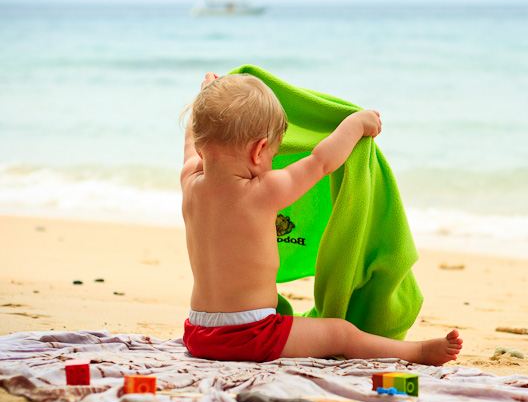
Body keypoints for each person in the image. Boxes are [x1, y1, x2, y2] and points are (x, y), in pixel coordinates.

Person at [180, 72, 462, 365]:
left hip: (198, 333)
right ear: (259, 150)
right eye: (273, 154)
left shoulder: (190, 181)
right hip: (251, 336)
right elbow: (321, 161)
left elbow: (191, 139)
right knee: (341, 334)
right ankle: (416, 353)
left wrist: (205, 95)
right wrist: (354, 125)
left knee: (328, 332)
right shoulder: (263, 191)